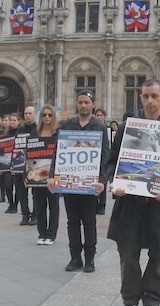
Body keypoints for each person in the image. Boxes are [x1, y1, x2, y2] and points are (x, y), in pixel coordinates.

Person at [107, 79, 160, 306]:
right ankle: (130, 300)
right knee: (128, 253)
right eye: (145, 96)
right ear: (140, 98)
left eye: (154, 95)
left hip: (159, 203)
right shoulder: (126, 128)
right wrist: (116, 183)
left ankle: (152, 301)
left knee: (157, 254)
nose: (150, 100)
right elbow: (112, 162)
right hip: (130, 202)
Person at [47, 89, 109, 273]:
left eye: (86, 103)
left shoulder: (100, 127)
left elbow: (105, 157)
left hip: (90, 184)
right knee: (72, 221)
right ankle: (75, 258)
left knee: (89, 221)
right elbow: (57, 153)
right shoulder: (66, 125)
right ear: (77, 104)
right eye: (80, 102)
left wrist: (102, 181)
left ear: (93, 105)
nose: (83, 105)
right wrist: (52, 176)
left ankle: (89, 259)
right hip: (69, 182)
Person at [33, 105, 60, 246]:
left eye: (50, 115)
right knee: (40, 205)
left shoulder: (57, 133)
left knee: (53, 205)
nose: (47, 117)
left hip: (53, 175)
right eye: (44, 115)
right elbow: (29, 155)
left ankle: (51, 234)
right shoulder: (35, 133)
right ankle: (42, 233)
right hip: (37, 175)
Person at [17, 106, 38, 226]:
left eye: (30, 113)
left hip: (34, 164)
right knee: (22, 192)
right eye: (25, 113)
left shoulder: (37, 129)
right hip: (20, 164)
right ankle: (25, 214)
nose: (27, 115)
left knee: (35, 191)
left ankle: (35, 215)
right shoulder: (20, 130)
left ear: (34, 115)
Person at [94, 108, 108, 215]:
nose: (99, 117)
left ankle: (102, 204)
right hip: (93, 157)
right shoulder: (93, 128)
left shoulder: (107, 129)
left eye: (101, 115)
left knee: (102, 181)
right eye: (97, 115)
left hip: (103, 157)